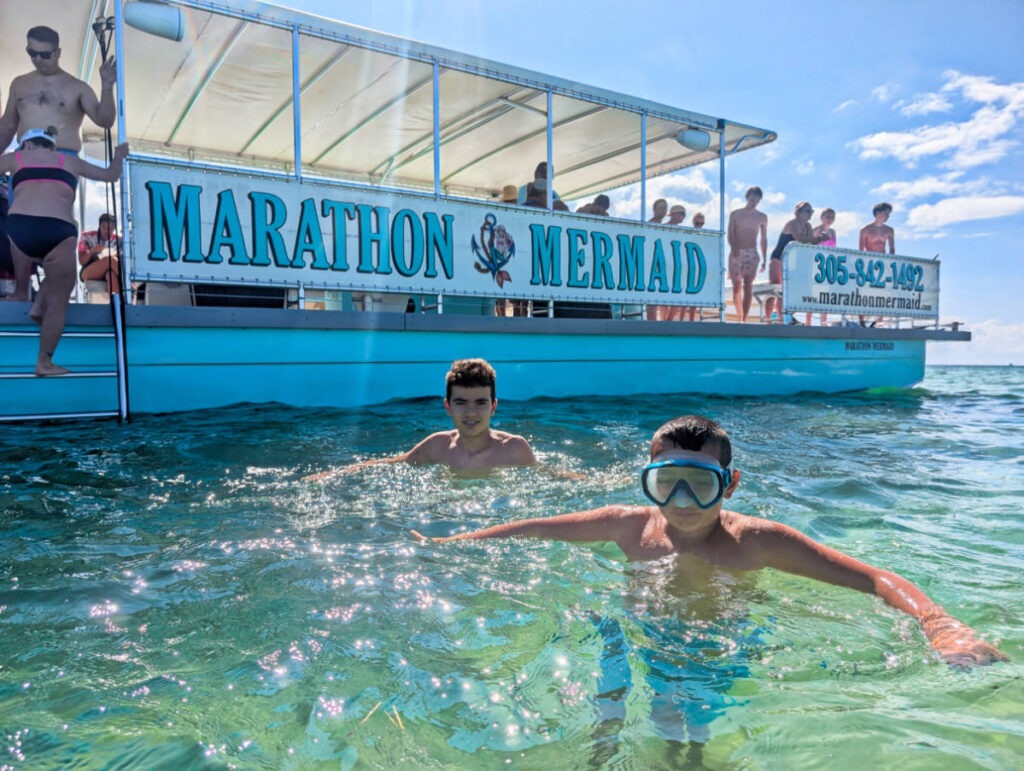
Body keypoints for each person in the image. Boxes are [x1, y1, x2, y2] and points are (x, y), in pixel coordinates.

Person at [414, 414, 1007, 668]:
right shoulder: (628, 525)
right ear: (646, 483)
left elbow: (874, 578)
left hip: (718, 646)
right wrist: (455, 542)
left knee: (694, 739)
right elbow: (533, 528)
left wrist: (939, 624)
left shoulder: (759, 542)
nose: (679, 503)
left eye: (700, 486)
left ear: (730, 484)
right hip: (636, 634)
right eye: (665, 484)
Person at [0, 25, 118, 301]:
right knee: (18, 219)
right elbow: (7, 124)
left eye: (45, 54)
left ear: (58, 52)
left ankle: (56, 289)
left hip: (64, 160)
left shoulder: (77, 87)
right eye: (32, 53)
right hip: (25, 158)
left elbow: (105, 120)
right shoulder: (19, 83)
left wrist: (107, 86)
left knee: (57, 220)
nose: (38, 60)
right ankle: (21, 290)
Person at [0, 127, 128, 375]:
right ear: (52, 146)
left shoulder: (16, 158)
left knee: (48, 273)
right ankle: (44, 362)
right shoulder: (69, 161)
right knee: (60, 295)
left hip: (19, 228)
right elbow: (111, 175)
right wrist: (120, 154)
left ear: (26, 145)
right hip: (58, 229)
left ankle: (32, 303)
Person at [306, 358, 537, 478]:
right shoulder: (438, 446)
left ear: (493, 406)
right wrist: (334, 474)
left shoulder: (513, 449)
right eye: (461, 402)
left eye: (480, 402)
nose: (471, 412)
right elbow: (392, 464)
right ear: (447, 406)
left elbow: (547, 475)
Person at [765, 201, 816, 323]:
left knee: (786, 291)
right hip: (778, 258)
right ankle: (767, 320)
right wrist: (819, 238)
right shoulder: (792, 224)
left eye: (811, 211)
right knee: (774, 288)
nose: (810, 214)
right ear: (799, 212)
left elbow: (811, 242)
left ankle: (782, 319)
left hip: (789, 262)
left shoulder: (808, 226)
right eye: (808, 211)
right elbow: (802, 239)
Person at [726, 186, 768, 323]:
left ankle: (744, 318)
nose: (754, 199)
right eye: (752, 195)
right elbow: (731, 233)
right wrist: (734, 248)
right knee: (736, 285)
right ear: (747, 196)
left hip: (752, 252)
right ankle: (739, 316)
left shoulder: (762, 217)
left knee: (748, 284)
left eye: (757, 197)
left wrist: (764, 259)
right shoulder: (736, 214)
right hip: (737, 251)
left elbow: (763, 238)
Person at [858, 203, 895, 326]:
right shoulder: (865, 229)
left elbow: (892, 249)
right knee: (864, 292)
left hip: (883, 264)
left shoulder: (889, 230)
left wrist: (891, 264)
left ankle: (879, 321)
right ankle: (862, 322)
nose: (888, 216)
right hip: (869, 264)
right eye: (886, 213)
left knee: (883, 293)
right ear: (878, 213)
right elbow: (861, 250)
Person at [78, 212, 120, 294]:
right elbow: (81, 261)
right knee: (110, 260)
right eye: (104, 228)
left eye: (110, 229)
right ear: (99, 226)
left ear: (114, 229)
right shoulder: (87, 236)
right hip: (88, 270)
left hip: (111, 270)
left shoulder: (119, 240)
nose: (107, 231)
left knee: (111, 276)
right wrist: (92, 251)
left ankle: (114, 304)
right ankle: (129, 284)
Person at [808, 208, 837, 325]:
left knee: (826, 293)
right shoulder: (816, 230)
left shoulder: (833, 232)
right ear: (822, 217)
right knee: (813, 292)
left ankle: (823, 320)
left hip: (828, 264)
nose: (830, 219)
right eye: (827, 216)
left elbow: (835, 249)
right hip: (816, 263)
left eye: (832, 217)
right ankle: (808, 321)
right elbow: (810, 246)